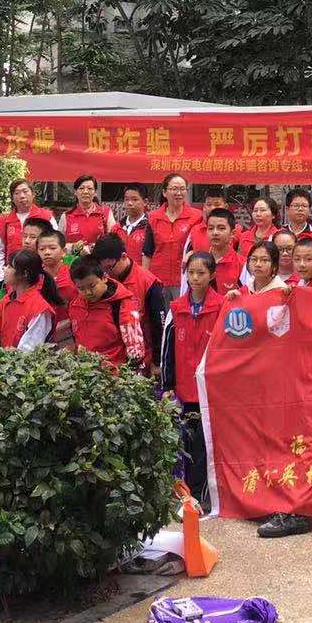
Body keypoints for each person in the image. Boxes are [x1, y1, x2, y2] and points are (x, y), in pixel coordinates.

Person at [162, 251, 225, 509]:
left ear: (212, 275)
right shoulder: (176, 308)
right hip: (185, 390)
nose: (195, 278)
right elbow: (167, 349)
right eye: (191, 273)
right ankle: (189, 495)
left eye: (201, 273)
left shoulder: (222, 306)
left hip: (211, 391)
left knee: (204, 446)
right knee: (186, 444)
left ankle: (204, 496)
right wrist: (167, 385)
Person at [94, 234, 167, 366]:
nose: (106, 273)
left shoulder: (148, 283)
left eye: (109, 267)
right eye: (102, 269)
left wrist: (157, 362)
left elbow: (159, 326)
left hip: (142, 356)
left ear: (123, 257)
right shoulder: (104, 281)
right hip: (113, 357)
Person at [67, 255, 145, 372]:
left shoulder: (122, 304)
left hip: (114, 373)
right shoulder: (75, 305)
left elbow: (135, 349)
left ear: (104, 278)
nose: (88, 292)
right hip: (85, 372)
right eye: (81, 288)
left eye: (92, 286)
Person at [0, 250, 63, 349]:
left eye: (9, 266)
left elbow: (30, 349)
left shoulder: (39, 309)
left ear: (24, 274)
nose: (5, 270)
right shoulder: (5, 301)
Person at [148, 173, 204, 298]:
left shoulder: (197, 216)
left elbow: (199, 246)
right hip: (158, 277)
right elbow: (147, 252)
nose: (179, 193)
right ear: (164, 192)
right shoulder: (153, 217)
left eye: (182, 189)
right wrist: (146, 279)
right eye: (174, 189)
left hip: (185, 277)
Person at [0, 180, 54, 268]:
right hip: (13, 270)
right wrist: (1, 271)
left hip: (40, 269)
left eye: (25, 191)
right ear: (12, 198)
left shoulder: (46, 216)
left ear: (33, 194)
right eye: (17, 193)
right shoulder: (4, 220)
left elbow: (54, 243)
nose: (22, 196)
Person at [59, 174, 116, 253]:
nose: (85, 191)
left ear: (95, 192)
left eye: (89, 188)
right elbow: (59, 245)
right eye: (81, 188)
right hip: (74, 260)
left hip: (99, 259)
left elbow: (113, 241)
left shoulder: (106, 213)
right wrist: (73, 247)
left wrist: (93, 248)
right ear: (75, 192)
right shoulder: (66, 216)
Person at [197, 207, 244, 293]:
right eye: (211, 228)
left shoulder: (242, 264)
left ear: (233, 233)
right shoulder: (198, 262)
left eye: (221, 228)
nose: (215, 233)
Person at [114, 184, 156, 268]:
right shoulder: (116, 228)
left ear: (145, 202)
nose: (129, 203)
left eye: (135, 199)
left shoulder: (151, 227)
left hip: (143, 273)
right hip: (119, 274)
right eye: (126, 199)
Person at [184, 189, 231, 257]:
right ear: (204, 207)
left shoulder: (235, 231)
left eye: (217, 204)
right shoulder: (195, 230)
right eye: (209, 204)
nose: (212, 208)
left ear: (226, 207)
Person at [36, 228, 75, 306]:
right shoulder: (33, 277)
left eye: (52, 248)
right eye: (42, 249)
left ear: (63, 251)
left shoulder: (72, 275)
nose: (47, 252)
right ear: (37, 252)